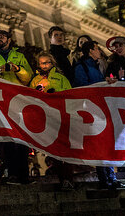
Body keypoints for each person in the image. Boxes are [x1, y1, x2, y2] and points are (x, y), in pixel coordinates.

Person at [72, 41, 125, 189]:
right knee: (98, 145)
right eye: (97, 49)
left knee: (107, 144)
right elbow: (82, 86)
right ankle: (104, 179)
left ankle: (111, 177)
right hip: (91, 110)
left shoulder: (97, 66)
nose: (99, 52)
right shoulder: (81, 66)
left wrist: (106, 82)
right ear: (91, 51)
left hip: (103, 108)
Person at [0, 30, 33, 185]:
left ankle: (24, 174)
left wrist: (17, 69)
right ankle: (12, 174)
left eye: (2, 38)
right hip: (0, 101)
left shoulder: (19, 56)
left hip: (17, 100)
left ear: (9, 40)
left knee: (22, 139)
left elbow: (28, 77)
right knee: (9, 139)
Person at [29, 52, 75, 190]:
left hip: (61, 115)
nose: (45, 65)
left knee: (65, 148)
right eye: (42, 63)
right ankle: (59, 176)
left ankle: (68, 178)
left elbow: (70, 94)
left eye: (47, 62)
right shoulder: (35, 80)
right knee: (53, 149)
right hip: (46, 117)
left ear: (52, 63)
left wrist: (55, 93)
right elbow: (30, 98)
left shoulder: (61, 78)